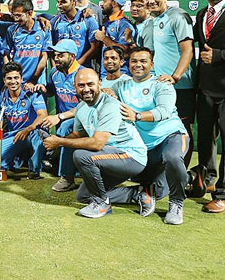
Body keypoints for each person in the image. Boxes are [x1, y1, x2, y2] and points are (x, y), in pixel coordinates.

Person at [43, 68, 147, 219]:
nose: (86, 89)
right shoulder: (81, 107)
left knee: (82, 155)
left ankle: (101, 204)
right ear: (75, 87)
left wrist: (59, 142)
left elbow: (97, 144)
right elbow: (77, 135)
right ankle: (139, 193)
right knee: (84, 196)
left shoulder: (109, 105)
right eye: (81, 85)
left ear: (99, 83)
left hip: (131, 157)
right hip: (108, 157)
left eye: (90, 84)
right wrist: (54, 139)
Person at [109, 47, 190, 224]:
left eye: (143, 61)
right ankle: (189, 177)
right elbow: (103, 97)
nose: (138, 65)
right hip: (145, 149)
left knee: (173, 158)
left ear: (151, 65)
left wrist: (136, 116)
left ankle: (176, 204)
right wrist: (105, 93)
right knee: (151, 188)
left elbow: (164, 111)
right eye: (134, 61)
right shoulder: (121, 86)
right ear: (128, 64)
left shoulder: (161, 84)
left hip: (171, 137)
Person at [191, 0, 225, 213]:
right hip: (205, 88)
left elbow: (213, 53)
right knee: (206, 140)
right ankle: (207, 179)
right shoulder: (201, 14)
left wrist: (219, 56)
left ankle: (224, 192)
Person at [143, 0, 195, 163]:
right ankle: (163, 172)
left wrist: (175, 77)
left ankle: (183, 172)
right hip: (160, 85)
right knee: (161, 126)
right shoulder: (154, 21)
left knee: (182, 128)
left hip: (180, 85)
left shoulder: (178, 16)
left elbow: (188, 50)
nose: (151, 1)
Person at [35, 39, 83, 192]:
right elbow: (51, 91)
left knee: (63, 131)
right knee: (41, 128)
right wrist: (43, 88)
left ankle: (67, 178)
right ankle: (43, 162)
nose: (56, 59)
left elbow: (86, 106)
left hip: (83, 119)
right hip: (63, 118)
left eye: (61, 55)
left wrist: (60, 117)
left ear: (72, 56)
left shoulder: (82, 75)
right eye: (55, 55)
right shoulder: (55, 72)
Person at [0, 62, 48, 178]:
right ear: (4, 80)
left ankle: (34, 170)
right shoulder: (0, 99)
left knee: (39, 135)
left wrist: (28, 129)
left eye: (16, 78)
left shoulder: (32, 93)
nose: (13, 81)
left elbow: (43, 115)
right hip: (15, 136)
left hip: (32, 132)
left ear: (22, 79)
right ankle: (20, 158)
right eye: (9, 78)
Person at [3, 0, 52, 88]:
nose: (15, 19)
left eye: (19, 15)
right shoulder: (12, 30)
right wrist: (9, 76)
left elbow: (44, 57)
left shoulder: (44, 28)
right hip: (16, 83)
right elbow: (6, 55)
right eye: (14, 15)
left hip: (37, 83)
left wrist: (33, 80)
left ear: (29, 13)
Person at [50, 0, 100, 68]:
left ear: (73, 1)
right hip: (61, 71)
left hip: (83, 70)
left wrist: (76, 66)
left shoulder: (88, 20)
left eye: (63, 2)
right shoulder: (54, 22)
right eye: (58, 2)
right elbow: (52, 49)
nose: (59, 5)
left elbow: (94, 48)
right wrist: (55, 68)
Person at [94, 0, 136, 77]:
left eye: (105, 0)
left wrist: (103, 38)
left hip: (120, 76)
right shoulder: (107, 22)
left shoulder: (124, 25)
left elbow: (125, 52)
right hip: (105, 75)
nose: (102, 4)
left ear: (114, 3)